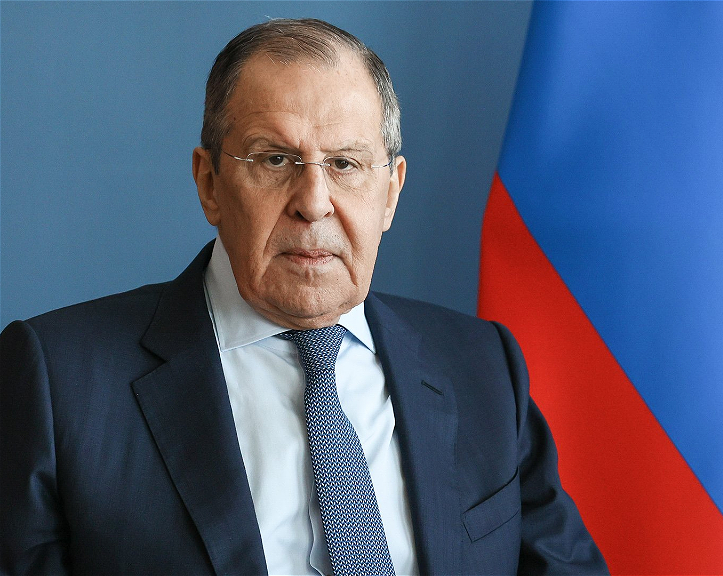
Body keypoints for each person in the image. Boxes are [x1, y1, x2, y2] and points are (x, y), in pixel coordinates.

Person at [0, 18, 608, 576]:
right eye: (275, 159)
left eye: (345, 163)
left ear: (391, 192)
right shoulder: (60, 381)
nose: (314, 202)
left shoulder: (481, 365)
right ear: (209, 183)